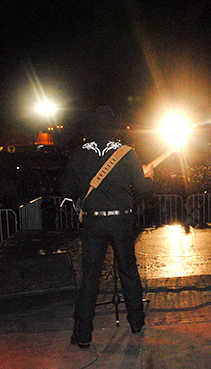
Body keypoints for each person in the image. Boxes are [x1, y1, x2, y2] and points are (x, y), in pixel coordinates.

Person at [61, 106, 154, 348]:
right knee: (128, 272)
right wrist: (149, 175)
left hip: (93, 223)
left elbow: (68, 195)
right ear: (114, 129)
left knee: (90, 279)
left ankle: (82, 335)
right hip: (120, 221)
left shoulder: (79, 154)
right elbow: (142, 189)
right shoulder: (128, 153)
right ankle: (136, 323)